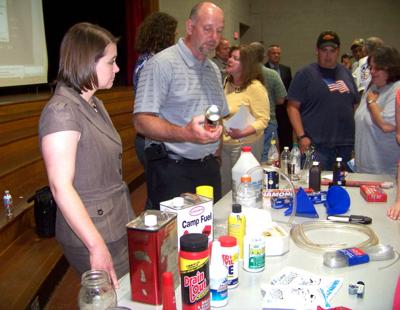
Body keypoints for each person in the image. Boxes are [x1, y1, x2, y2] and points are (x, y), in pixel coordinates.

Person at [39, 22, 134, 288]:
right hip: (93, 232)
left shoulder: (94, 103)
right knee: (110, 301)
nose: (117, 68)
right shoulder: (61, 111)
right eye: (111, 62)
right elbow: (60, 186)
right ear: (87, 62)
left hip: (114, 220)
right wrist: (95, 246)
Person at [134, 2, 229, 208]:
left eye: (219, 31)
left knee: (210, 232)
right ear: (190, 27)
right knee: (175, 238)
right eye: (207, 29)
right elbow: (142, 122)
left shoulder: (213, 70)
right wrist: (185, 133)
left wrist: (217, 153)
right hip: (172, 169)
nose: (214, 37)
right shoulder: (161, 64)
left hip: (208, 168)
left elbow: (218, 114)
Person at [287, 31, 360, 170]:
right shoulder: (305, 74)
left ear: (338, 51)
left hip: (345, 146)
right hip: (317, 146)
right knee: (315, 187)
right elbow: (292, 107)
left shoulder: (346, 73)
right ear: (316, 50)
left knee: (341, 187)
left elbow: (355, 104)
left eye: (332, 51)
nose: (328, 55)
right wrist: (301, 137)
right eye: (324, 50)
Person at [132, 12, 178, 210]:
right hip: (152, 140)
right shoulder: (153, 65)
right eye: (173, 34)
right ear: (164, 35)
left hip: (151, 139)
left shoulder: (145, 60)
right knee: (159, 200)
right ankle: (149, 239)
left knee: (158, 195)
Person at [220, 44, 269, 195]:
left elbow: (263, 120)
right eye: (230, 57)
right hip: (225, 145)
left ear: (246, 65)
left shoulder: (255, 87)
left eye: (235, 58)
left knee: (242, 191)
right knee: (225, 190)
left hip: (246, 145)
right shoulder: (227, 82)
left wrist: (241, 133)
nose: (230, 60)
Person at [354, 45, 400, 176]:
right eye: (371, 67)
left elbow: (386, 125)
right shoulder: (372, 87)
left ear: (390, 68)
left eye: (377, 68)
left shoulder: (397, 89)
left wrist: (371, 103)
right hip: (364, 168)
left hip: (386, 172)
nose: (372, 72)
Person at [250, 41, 287, 161]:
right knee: (269, 156)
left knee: (249, 155)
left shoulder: (243, 75)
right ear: (264, 56)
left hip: (248, 124)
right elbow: (281, 100)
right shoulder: (273, 74)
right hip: (269, 120)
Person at [265, 44, 293, 149]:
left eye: (278, 53)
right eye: (273, 53)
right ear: (268, 55)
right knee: (272, 139)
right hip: (271, 109)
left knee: (286, 137)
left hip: (284, 109)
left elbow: (289, 88)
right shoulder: (263, 69)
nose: (276, 55)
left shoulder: (286, 69)